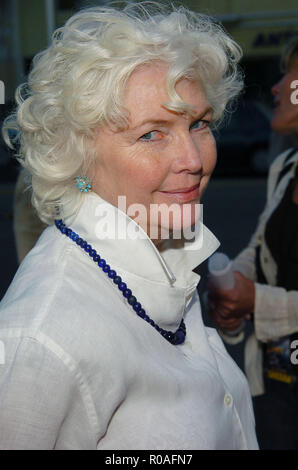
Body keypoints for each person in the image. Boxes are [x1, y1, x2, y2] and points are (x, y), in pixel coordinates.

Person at [0, 3, 258, 450]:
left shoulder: (163, 251)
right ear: (78, 154)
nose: (194, 161)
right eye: (151, 134)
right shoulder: (43, 337)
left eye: (199, 124)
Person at [208, 37, 298, 450]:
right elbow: (259, 248)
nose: (277, 87)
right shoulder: (285, 168)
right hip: (277, 382)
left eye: (291, 74)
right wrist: (234, 290)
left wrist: (256, 302)